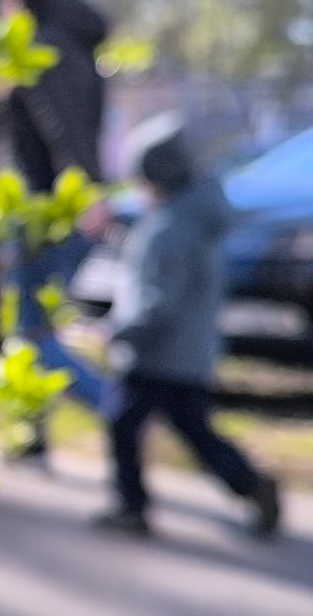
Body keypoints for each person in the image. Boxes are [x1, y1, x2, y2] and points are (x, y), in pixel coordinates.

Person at [95, 113, 281, 538]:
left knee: (123, 423)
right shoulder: (197, 216)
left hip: (156, 353)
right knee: (195, 430)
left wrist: (119, 332)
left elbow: (160, 300)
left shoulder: (169, 229)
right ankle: (249, 483)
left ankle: (132, 506)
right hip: (191, 352)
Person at [0, 0, 112, 454]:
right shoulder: (76, 45)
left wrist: (84, 192)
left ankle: (120, 410)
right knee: (30, 331)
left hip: (49, 214)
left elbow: (63, 126)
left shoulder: (47, 47)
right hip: (55, 209)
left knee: (34, 335)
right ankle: (34, 434)